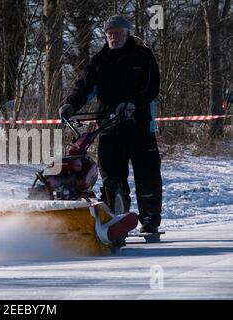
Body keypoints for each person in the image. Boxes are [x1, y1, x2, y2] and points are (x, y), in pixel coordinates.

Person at [60, 15, 162, 233]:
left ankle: (150, 219)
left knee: (147, 174)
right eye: (109, 34)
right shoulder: (99, 60)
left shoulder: (142, 57)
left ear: (127, 33)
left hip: (140, 125)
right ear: (105, 36)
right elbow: (84, 87)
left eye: (117, 33)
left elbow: (151, 87)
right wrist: (70, 105)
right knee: (112, 176)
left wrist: (132, 103)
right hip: (109, 126)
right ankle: (119, 218)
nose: (113, 37)